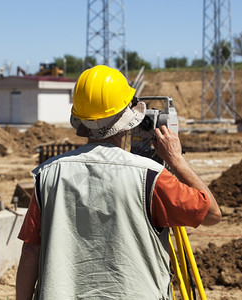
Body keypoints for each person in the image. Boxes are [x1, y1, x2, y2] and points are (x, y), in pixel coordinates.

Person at [16, 65, 222, 299]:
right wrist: (176, 160)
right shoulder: (151, 178)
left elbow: (31, 249)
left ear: (80, 119)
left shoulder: (48, 175)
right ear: (129, 119)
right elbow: (212, 214)